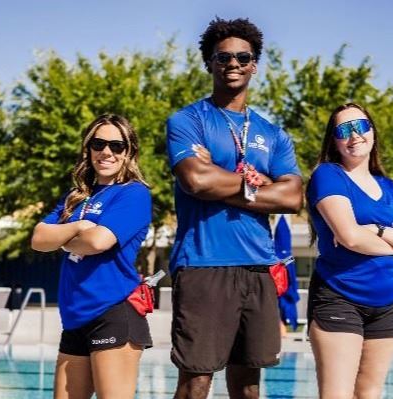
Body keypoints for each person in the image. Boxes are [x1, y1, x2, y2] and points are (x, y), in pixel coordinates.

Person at [165, 17, 303, 399]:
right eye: (223, 57)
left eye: (243, 56)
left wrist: (219, 180)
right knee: (196, 381)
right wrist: (260, 186)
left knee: (248, 384)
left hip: (258, 265)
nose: (233, 63)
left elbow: (293, 198)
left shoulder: (273, 134)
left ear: (255, 64)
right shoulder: (188, 120)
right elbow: (196, 180)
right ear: (209, 63)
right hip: (204, 264)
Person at [306, 103, 393, 399]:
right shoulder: (328, 175)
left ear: (373, 133)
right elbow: (350, 237)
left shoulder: (391, 188)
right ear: (334, 141)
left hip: (387, 302)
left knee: (369, 394)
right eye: (344, 130)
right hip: (340, 296)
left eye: (361, 127)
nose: (354, 135)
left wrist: (376, 230)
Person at [31, 114, 153, 399]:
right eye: (98, 144)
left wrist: (60, 239)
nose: (106, 152)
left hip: (113, 312)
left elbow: (99, 241)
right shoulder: (76, 197)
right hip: (74, 318)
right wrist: (77, 227)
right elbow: (38, 239)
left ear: (129, 152)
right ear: (88, 149)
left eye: (116, 145)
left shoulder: (133, 194)